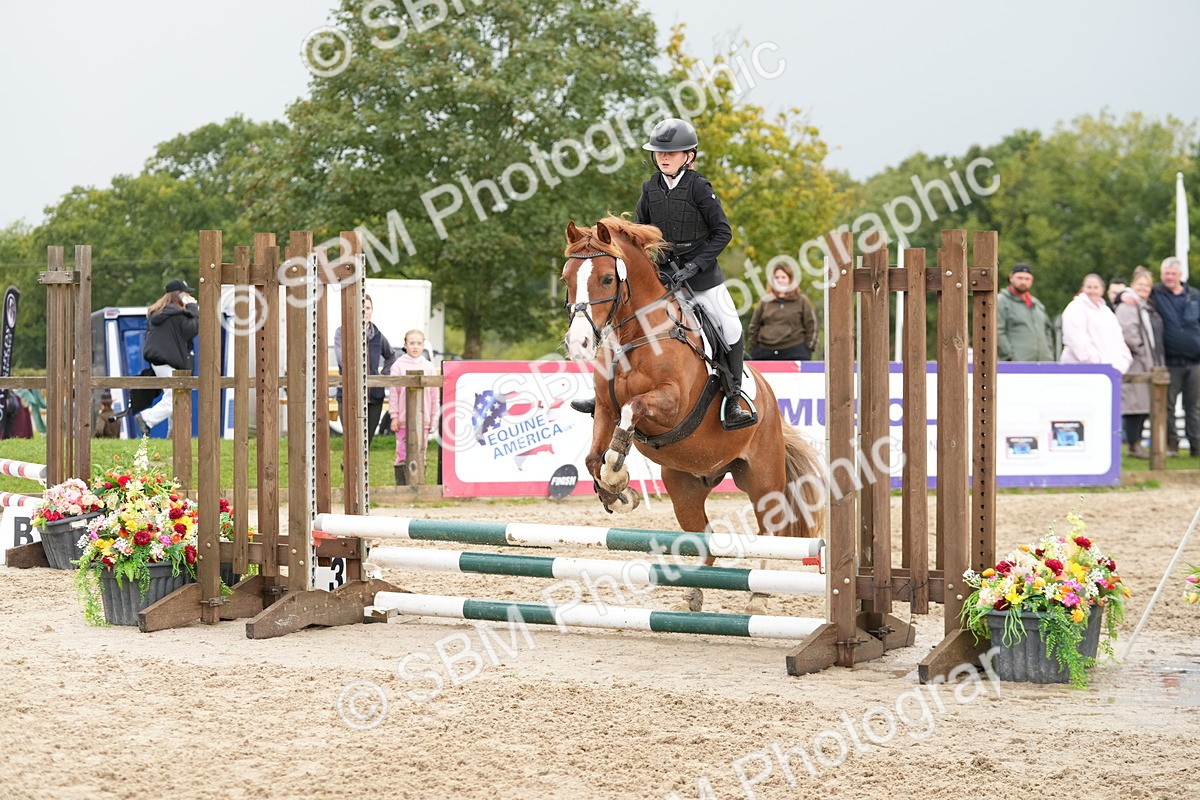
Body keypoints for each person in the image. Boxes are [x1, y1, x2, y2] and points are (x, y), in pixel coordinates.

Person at [571, 118, 753, 430]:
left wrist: (695, 265)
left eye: (672, 153)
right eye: (659, 153)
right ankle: (601, 395)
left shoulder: (699, 188)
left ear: (689, 156)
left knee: (732, 328)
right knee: (622, 324)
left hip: (703, 277)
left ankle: (733, 399)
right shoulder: (650, 188)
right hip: (665, 276)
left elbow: (723, 233)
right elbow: (636, 234)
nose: (664, 158)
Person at [134, 279, 199, 436]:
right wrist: (192, 307)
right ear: (180, 295)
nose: (189, 295)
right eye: (186, 293)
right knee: (177, 394)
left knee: (173, 394)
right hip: (168, 360)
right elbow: (192, 329)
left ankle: (174, 432)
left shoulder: (162, 312)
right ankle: (146, 419)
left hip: (159, 360)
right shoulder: (176, 314)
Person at [1150, 256, 1200, 456]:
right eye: (1166, 274)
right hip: (1169, 362)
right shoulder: (1156, 293)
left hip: (1195, 362)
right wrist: (1121, 297)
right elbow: (1135, 293)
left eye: (1173, 273)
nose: (1169, 277)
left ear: (1180, 275)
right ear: (1162, 275)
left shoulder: (1195, 296)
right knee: (1167, 406)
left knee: (1194, 407)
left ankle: (1196, 446)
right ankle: (1172, 445)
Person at [1115, 267, 1164, 458]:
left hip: (1147, 360)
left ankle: (1137, 444)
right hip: (1136, 361)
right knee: (1134, 406)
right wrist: (1142, 351)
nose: (1144, 288)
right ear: (1132, 285)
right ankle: (1134, 444)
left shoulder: (1145, 305)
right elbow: (1128, 332)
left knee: (1143, 405)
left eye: (1147, 285)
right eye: (1140, 284)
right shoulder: (1128, 304)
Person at [333, 294, 396, 444]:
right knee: (351, 440)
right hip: (348, 394)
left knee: (367, 441)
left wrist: (382, 376)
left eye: (367, 308)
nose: (364, 311)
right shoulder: (342, 332)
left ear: (372, 311)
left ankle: (363, 467)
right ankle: (348, 466)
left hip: (374, 397)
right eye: (361, 308)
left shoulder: (378, 336)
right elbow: (342, 360)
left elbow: (391, 356)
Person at [388, 329, 439, 485]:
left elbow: (434, 396)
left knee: (421, 452)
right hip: (403, 420)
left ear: (423, 345)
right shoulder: (398, 366)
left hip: (423, 419)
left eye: (418, 343)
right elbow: (394, 394)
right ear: (405, 345)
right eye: (412, 343)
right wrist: (394, 416)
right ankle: (402, 486)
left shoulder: (429, 367)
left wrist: (434, 418)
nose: (415, 346)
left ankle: (418, 484)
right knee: (402, 452)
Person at [1060, 273, 1132, 374]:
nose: (1092, 291)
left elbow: (1119, 341)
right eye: (1089, 287)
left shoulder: (1107, 312)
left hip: (1109, 374)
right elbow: (1077, 342)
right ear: (1083, 288)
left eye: (1095, 287)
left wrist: (1122, 364)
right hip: (1080, 371)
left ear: (1102, 290)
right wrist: (1098, 365)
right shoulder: (1075, 308)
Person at [747, 261, 817, 360]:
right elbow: (754, 326)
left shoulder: (802, 301)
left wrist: (808, 348)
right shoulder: (764, 301)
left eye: (783, 277)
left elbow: (811, 325)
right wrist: (753, 348)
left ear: (790, 279)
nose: (780, 280)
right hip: (765, 352)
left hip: (795, 351)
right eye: (777, 277)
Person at [996, 263, 1054, 361]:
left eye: (1027, 279)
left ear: (1032, 280)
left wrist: (1049, 353)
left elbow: (1047, 331)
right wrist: (1009, 357)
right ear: (1011, 277)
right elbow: (997, 331)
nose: (1023, 282)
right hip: (1016, 364)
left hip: (1043, 363)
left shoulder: (1037, 303)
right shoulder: (1001, 300)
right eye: (1019, 278)